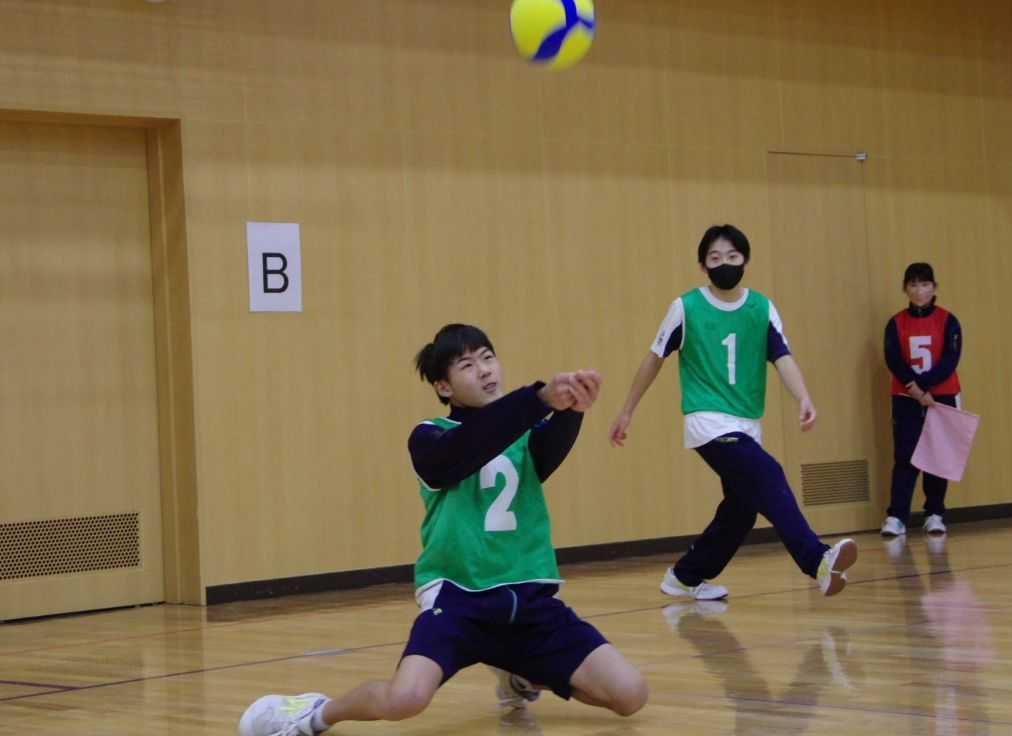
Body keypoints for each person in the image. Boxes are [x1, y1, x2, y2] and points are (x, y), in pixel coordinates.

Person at [238, 324, 648, 736]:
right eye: (467, 365)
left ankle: (522, 674)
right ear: (443, 387)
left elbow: (548, 447)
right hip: (459, 602)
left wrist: (572, 407)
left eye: (488, 357)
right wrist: (538, 399)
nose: (484, 370)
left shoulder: (522, 435)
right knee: (405, 699)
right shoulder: (429, 436)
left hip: (527, 603)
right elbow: (461, 453)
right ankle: (314, 712)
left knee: (630, 694)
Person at [608, 224, 857, 601]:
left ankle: (685, 577)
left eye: (732, 256)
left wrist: (803, 397)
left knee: (741, 510)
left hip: (747, 422)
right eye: (714, 257)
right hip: (707, 420)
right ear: (702, 266)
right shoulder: (686, 307)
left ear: (745, 261)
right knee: (769, 473)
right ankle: (817, 560)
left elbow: (782, 356)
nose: (724, 263)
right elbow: (654, 359)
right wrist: (627, 411)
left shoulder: (762, 308)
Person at [881, 262, 963, 538]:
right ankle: (897, 517)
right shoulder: (896, 323)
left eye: (925, 284)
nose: (919, 290)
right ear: (905, 289)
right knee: (905, 455)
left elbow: (950, 359)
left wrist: (926, 387)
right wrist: (914, 389)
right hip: (906, 397)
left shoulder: (949, 321)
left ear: (934, 288)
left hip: (942, 396)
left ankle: (935, 514)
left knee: (938, 457)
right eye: (913, 285)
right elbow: (893, 359)